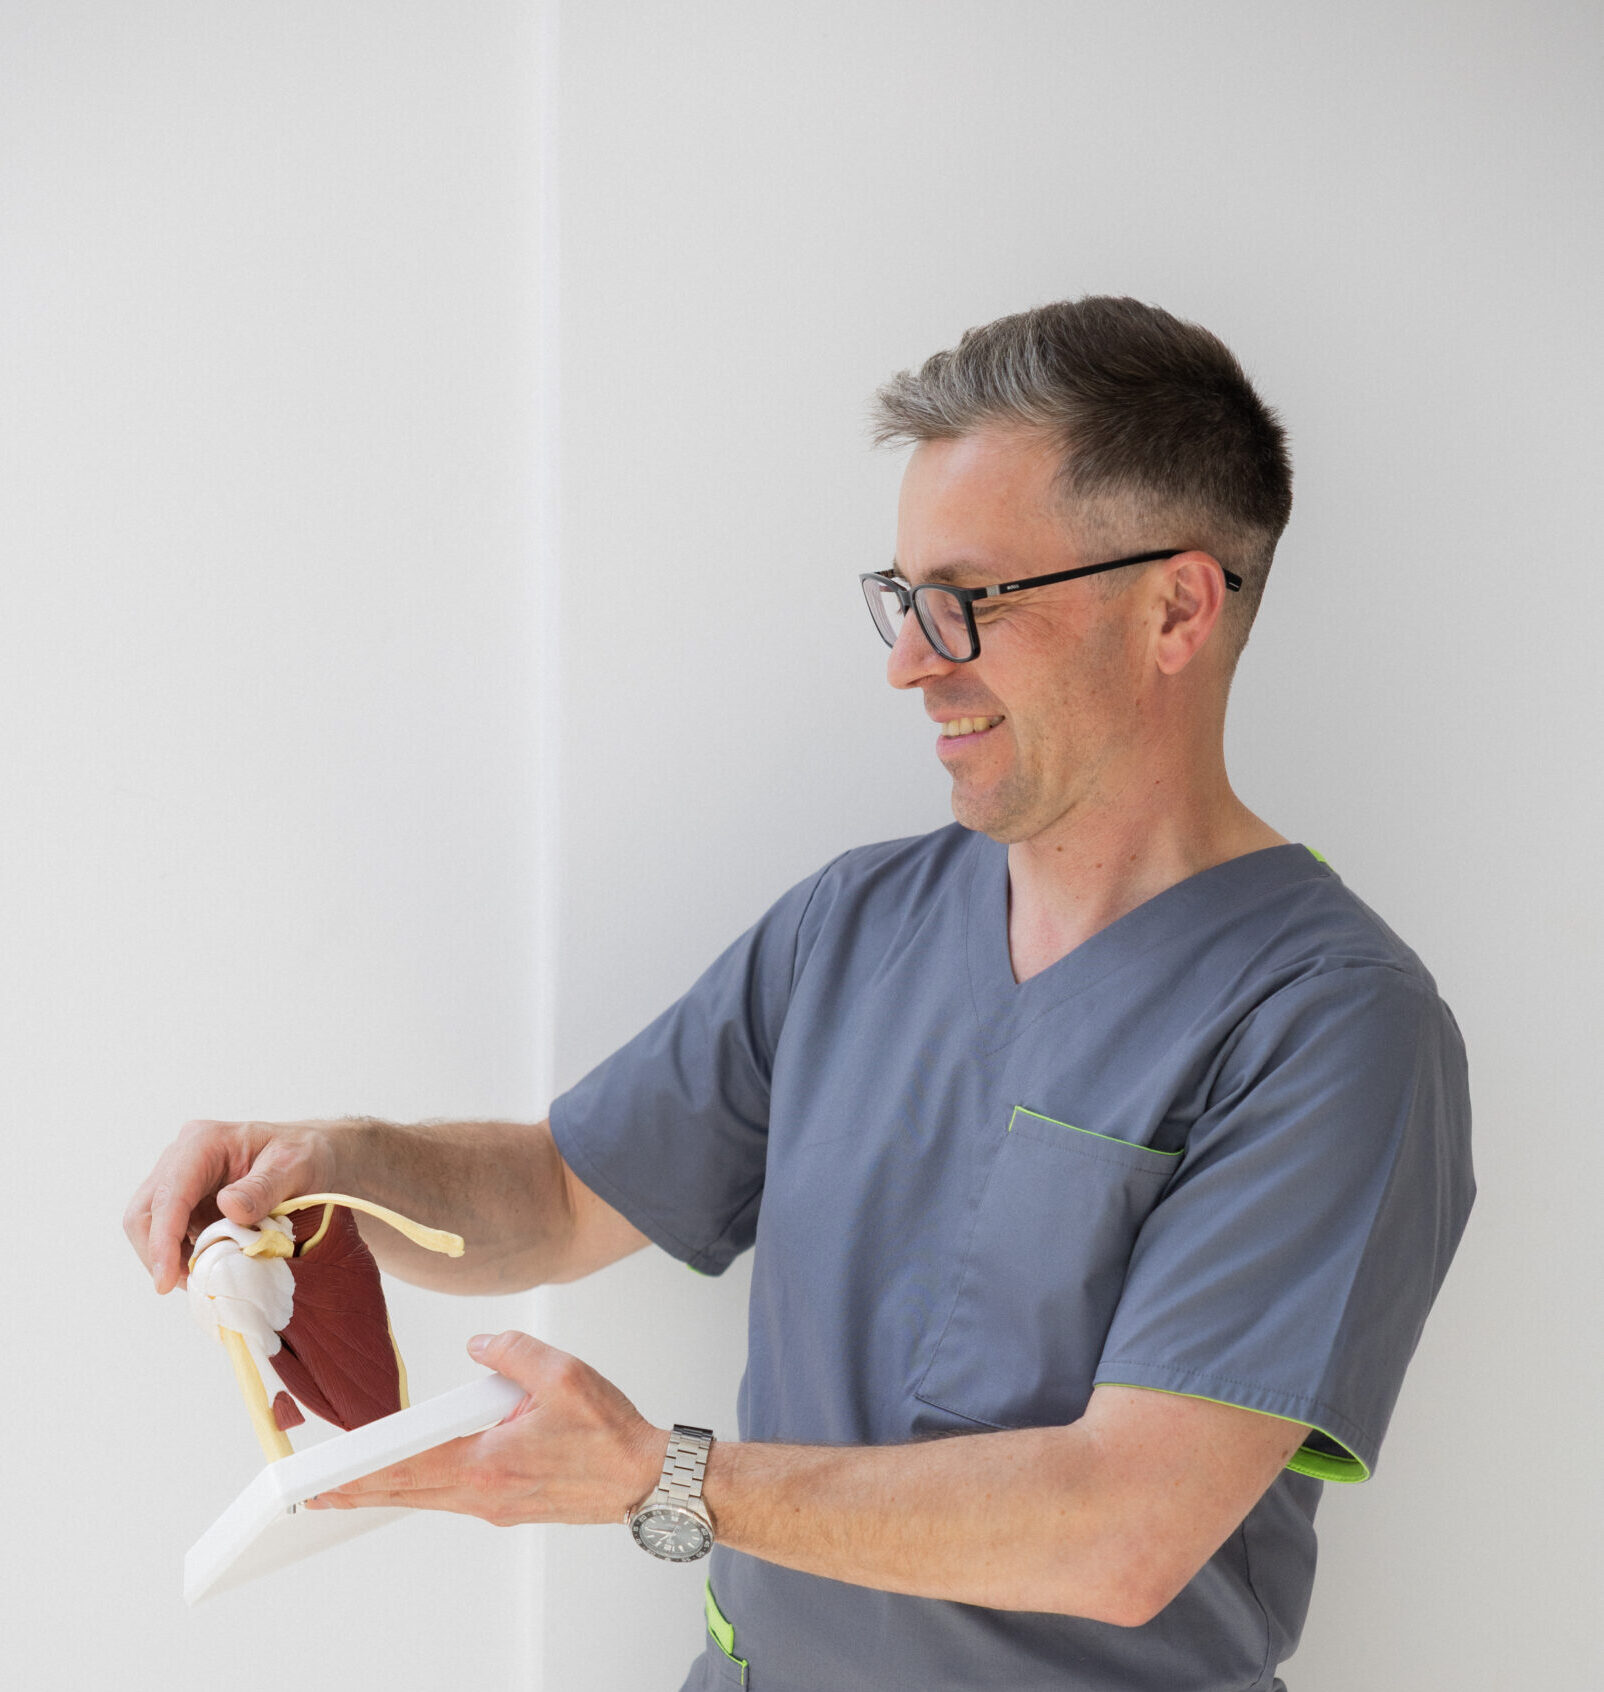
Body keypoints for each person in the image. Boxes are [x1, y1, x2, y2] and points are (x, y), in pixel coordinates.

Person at [126, 296, 1475, 1692]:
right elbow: (567, 1193)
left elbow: (1124, 1528)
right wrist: (342, 1168)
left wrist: (666, 1479)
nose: (909, 661)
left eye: (967, 601)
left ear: (1175, 608)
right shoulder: (857, 926)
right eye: (904, 599)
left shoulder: (1331, 1025)